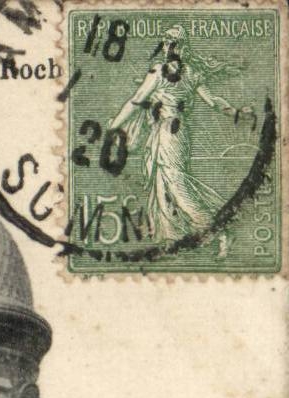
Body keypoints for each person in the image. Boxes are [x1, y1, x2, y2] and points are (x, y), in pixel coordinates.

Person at [107, 25, 253, 257]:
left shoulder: (159, 71)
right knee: (163, 183)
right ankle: (173, 238)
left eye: (171, 42)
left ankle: (220, 230)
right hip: (175, 131)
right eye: (165, 42)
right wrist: (234, 112)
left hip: (169, 132)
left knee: (177, 185)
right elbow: (213, 101)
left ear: (180, 47)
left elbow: (136, 100)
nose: (167, 46)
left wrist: (114, 125)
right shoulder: (192, 72)